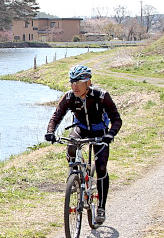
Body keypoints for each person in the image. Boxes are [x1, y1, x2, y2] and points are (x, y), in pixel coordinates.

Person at [45, 64, 122, 224]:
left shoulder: (101, 96)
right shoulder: (69, 97)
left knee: (101, 167)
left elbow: (116, 119)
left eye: (79, 82)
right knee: (72, 146)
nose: (75, 86)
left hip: (100, 131)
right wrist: (51, 131)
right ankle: (74, 177)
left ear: (88, 82)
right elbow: (56, 116)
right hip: (81, 129)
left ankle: (101, 207)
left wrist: (110, 134)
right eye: (72, 82)